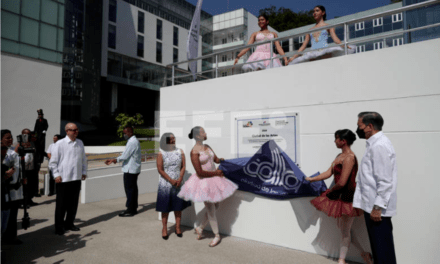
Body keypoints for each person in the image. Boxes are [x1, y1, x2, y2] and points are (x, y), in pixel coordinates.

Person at [305, 129, 373, 264]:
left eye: (336, 138)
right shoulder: (339, 156)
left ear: (343, 141)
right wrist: (311, 179)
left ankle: (342, 260)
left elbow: (342, 182)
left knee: (345, 231)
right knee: (344, 230)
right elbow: (328, 172)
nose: (335, 141)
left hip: (348, 197)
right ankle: (364, 254)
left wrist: (331, 192)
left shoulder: (349, 158)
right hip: (340, 196)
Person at [178, 127, 238, 247]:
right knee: (211, 209)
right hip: (203, 182)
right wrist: (216, 173)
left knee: (215, 205)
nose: (205, 133)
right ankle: (217, 236)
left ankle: (200, 228)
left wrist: (225, 161)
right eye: (203, 132)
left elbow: (215, 159)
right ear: (198, 136)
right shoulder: (194, 152)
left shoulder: (208, 146)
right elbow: (199, 172)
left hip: (214, 180)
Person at [353, 112, 397, 264]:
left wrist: (378, 207)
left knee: (383, 250)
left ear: (369, 126)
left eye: (360, 126)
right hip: (372, 206)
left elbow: (385, 181)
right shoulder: (374, 144)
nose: (358, 129)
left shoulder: (379, 146)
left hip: (377, 209)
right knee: (378, 249)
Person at [49, 123, 87, 235]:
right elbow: (53, 162)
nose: (75, 132)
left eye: (77, 130)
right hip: (63, 178)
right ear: (67, 131)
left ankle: (69, 223)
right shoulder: (60, 144)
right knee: (61, 204)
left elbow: (83, 159)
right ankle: (59, 226)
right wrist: (56, 175)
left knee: (73, 203)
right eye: (73, 130)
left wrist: (84, 171)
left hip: (76, 177)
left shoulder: (80, 142)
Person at [288, 5, 354, 65]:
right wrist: (293, 57)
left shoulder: (328, 26)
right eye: (313, 11)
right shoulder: (309, 30)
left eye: (317, 10)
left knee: (326, 68)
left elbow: (335, 39)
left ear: (323, 13)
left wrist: (344, 45)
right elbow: (303, 45)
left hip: (325, 51)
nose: (314, 13)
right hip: (312, 53)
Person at [156, 133, 191, 240]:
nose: (173, 140)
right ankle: (164, 229)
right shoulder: (161, 153)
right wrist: (170, 180)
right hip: (166, 184)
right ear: (165, 140)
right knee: (165, 208)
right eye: (170, 139)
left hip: (178, 183)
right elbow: (160, 169)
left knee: (178, 206)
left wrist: (180, 178)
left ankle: (178, 227)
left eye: (174, 138)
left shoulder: (180, 151)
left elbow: (183, 165)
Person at [105, 126, 141, 217]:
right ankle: (133, 208)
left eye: (125, 133)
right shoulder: (133, 141)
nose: (124, 135)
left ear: (130, 132)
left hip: (130, 170)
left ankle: (130, 209)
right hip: (132, 169)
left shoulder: (132, 142)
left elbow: (125, 156)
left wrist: (114, 160)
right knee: (133, 190)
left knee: (130, 190)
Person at [1, 129, 28, 245]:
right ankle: (4, 237)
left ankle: (13, 236)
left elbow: (22, 164)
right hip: (6, 187)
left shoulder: (13, 150)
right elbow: (4, 165)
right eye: (7, 138)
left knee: (14, 214)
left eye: (11, 137)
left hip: (17, 186)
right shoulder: (4, 152)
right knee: (6, 214)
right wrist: (16, 152)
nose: (10, 139)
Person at [21, 129, 38, 206]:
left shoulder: (32, 143)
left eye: (29, 134)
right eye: (26, 134)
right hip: (24, 169)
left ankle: (29, 200)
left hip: (32, 168)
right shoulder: (19, 143)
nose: (28, 136)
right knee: (25, 186)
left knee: (32, 185)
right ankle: (23, 202)